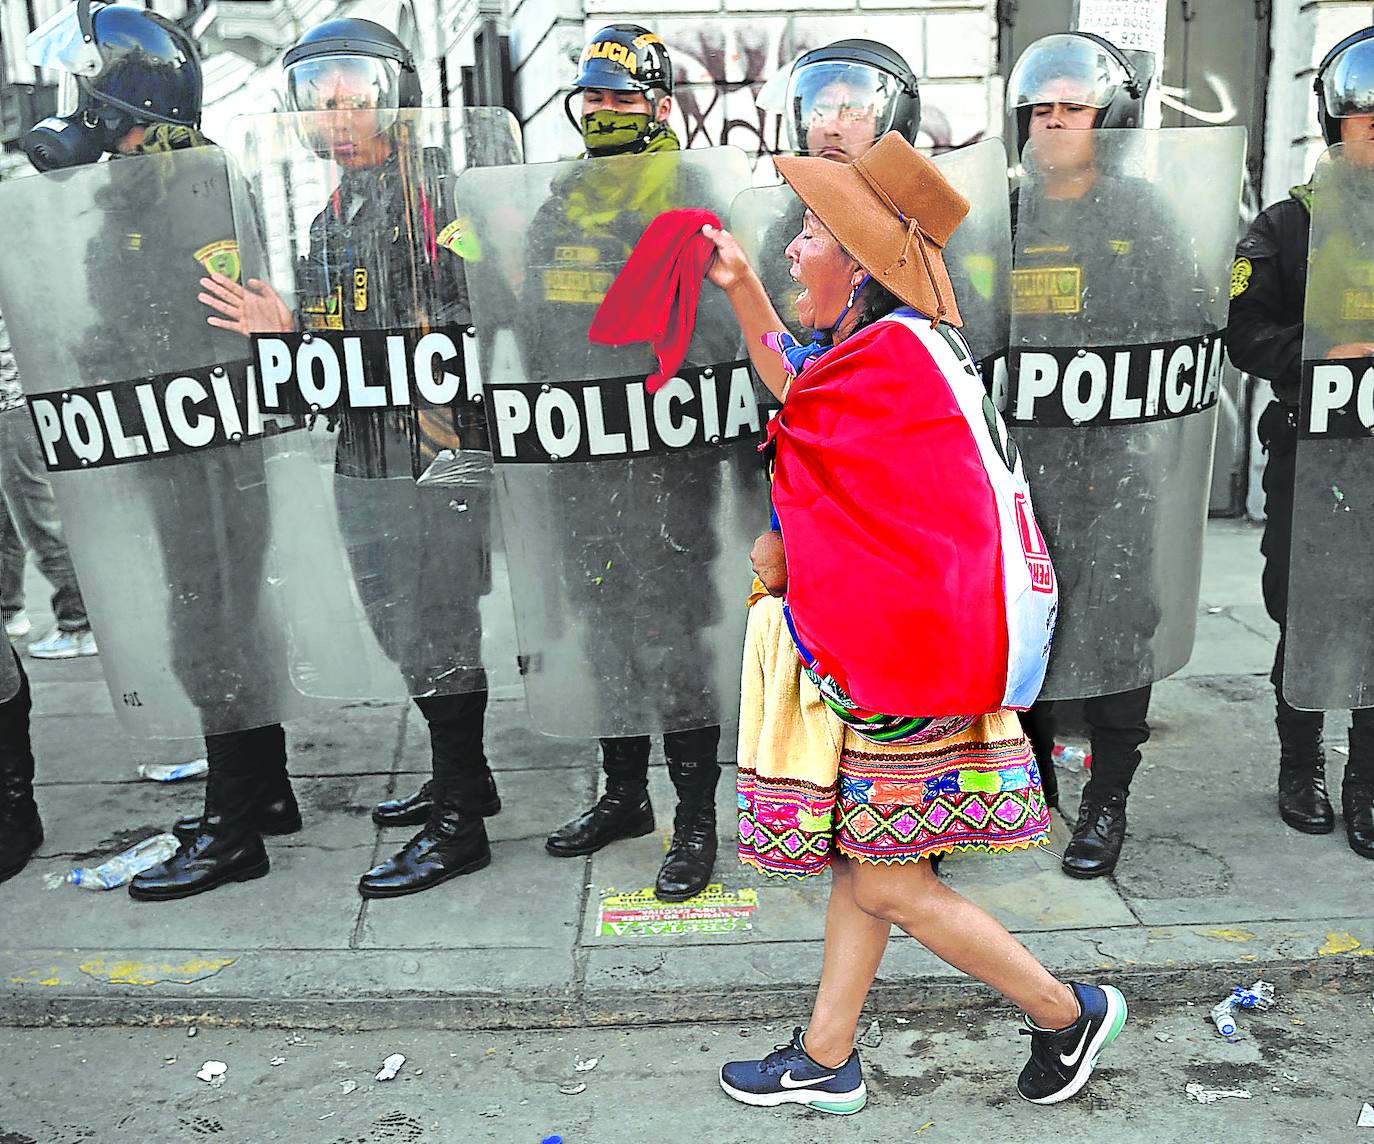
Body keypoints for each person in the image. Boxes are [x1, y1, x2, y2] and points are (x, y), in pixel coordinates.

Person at [701, 131, 1125, 1114]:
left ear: (856, 264)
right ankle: (826, 1055)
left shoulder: (889, 359)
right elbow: (807, 396)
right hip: (917, 646)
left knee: (889, 880)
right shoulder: (890, 347)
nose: (793, 248)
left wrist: (784, 558)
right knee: (870, 860)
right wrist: (737, 290)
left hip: (914, 656)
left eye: (810, 232)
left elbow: (817, 437)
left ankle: (1067, 1014)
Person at [197, 17, 506, 897]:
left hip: (438, 453)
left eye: (354, 97)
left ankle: (460, 824)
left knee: (438, 625)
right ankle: (465, 775)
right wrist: (289, 345)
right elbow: (332, 364)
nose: (337, 117)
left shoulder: (440, 196)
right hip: (367, 453)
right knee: (399, 623)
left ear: (395, 99)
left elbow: (476, 314)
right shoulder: (335, 209)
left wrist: (298, 335)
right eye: (318, 101)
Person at [20, 0, 302, 901]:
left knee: (209, 623)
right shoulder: (154, 180)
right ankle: (261, 792)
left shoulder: (184, 185)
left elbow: (192, 316)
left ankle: (233, 830)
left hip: (206, 444)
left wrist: (107, 345)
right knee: (221, 616)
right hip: (186, 439)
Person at [1004, 32, 1214, 877]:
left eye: (1073, 109)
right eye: (1041, 110)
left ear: (1110, 119)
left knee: (1120, 632)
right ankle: (1029, 789)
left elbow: (1193, 320)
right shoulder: (1004, 216)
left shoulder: (1144, 216)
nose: (1054, 124)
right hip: (1022, 472)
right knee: (1028, 636)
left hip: (1116, 470)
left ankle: (1107, 803)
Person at [535, 24, 729, 902]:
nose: (605, 112)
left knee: (671, 637)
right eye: (594, 97)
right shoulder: (563, 196)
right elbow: (532, 307)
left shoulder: (690, 192)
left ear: (658, 104)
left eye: (622, 96)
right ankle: (623, 796)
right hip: (581, 461)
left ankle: (694, 817)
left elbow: (719, 331)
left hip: (667, 464)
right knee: (603, 630)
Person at [1227, 25, 1374, 859]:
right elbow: (1243, 333)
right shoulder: (1290, 224)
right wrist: (1321, 354)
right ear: (1335, 123)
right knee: (1304, 608)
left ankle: (1366, 780)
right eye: (1369, 122)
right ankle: (1299, 768)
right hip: (1311, 453)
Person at [0, 306, 95, 658]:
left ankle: (79, 624)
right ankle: (9, 612)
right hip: (12, 406)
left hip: (10, 408)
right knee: (7, 523)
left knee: (38, 520)